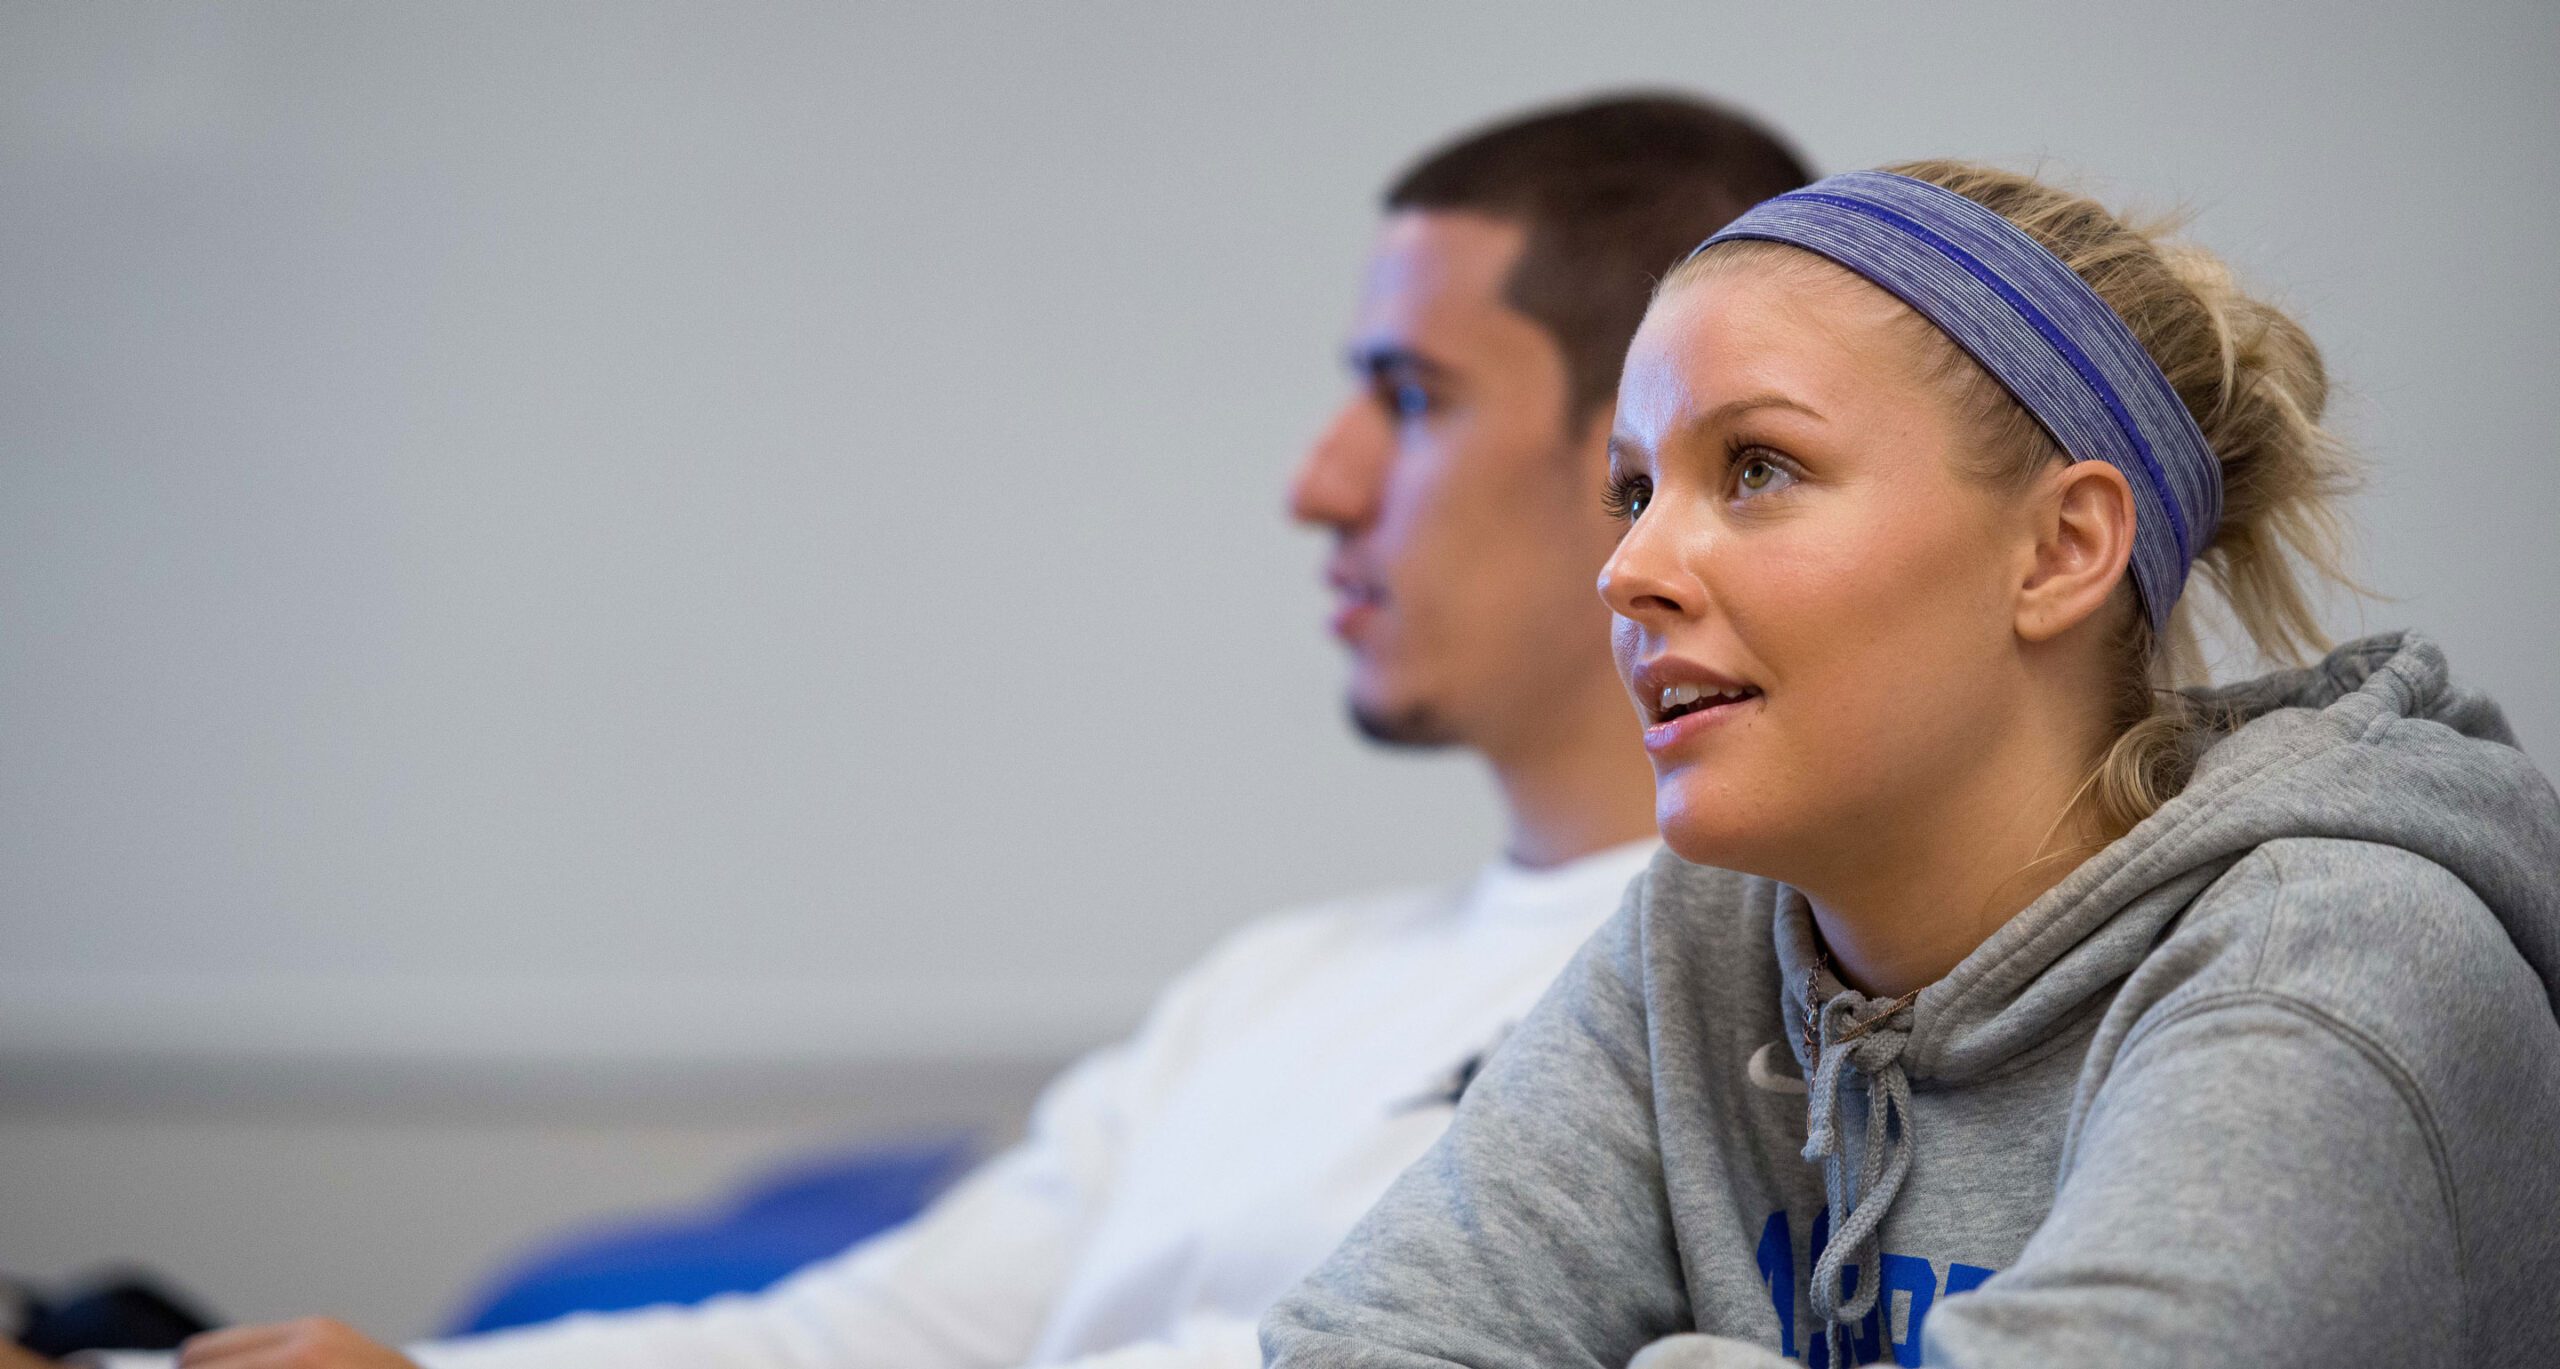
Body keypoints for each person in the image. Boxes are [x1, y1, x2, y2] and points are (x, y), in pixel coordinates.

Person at [24, 95, 1811, 1369]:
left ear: (1634, 453)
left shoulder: (1767, 977)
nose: (1316, 482)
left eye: (1406, 398)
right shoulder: (1280, 983)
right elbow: (864, 1333)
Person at [1261, 163, 2560, 1367]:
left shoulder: (2329, 962)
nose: (1628, 569)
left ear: (2059, 549)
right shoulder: (1702, 943)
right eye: (1636, 489)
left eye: (1758, 468)